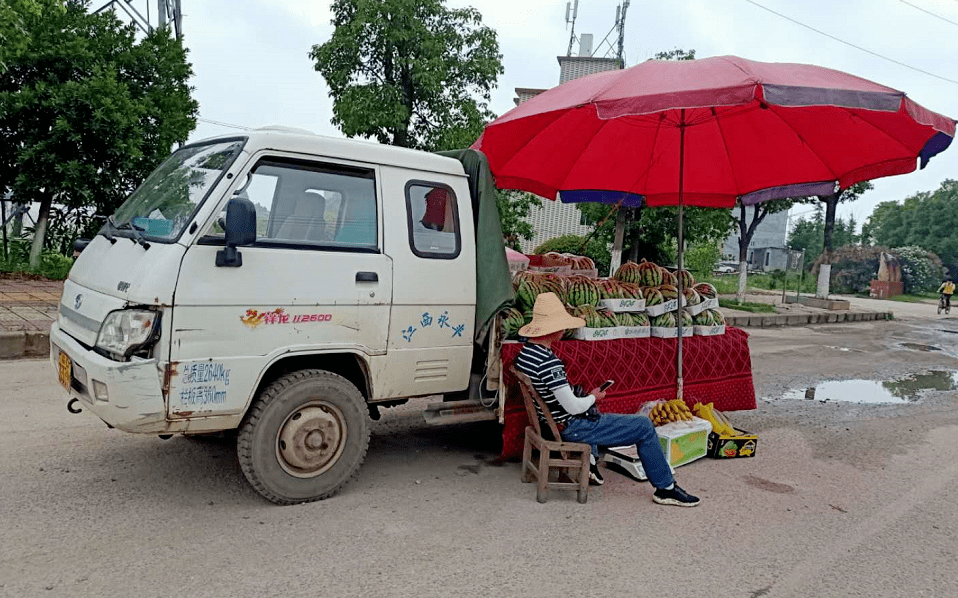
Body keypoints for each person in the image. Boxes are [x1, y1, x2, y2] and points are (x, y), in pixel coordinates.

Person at [514, 292, 701, 507]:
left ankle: (591, 462)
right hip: (569, 427)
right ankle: (665, 488)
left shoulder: (526, 353)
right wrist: (593, 397)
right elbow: (573, 407)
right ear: (554, 328)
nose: (565, 329)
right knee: (644, 426)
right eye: (563, 324)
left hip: (548, 423)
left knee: (590, 405)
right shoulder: (548, 363)